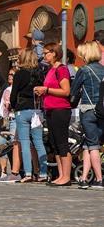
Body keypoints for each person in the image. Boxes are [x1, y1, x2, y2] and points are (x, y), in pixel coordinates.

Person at [8, 48, 48, 183]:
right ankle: (43, 173)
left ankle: (28, 173)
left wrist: (13, 106)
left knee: (24, 142)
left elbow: (13, 94)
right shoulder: (39, 74)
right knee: (38, 142)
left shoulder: (19, 74)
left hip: (22, 109)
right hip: (37, 111)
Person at [34, 42, 72, 186]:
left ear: (54, 53)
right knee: (55, 143)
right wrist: (42, 91)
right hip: (50, 109)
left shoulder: (61, 69)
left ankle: (66, 177)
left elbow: (66, 91)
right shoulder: (50, 69)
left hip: (60, 110)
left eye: (46, 53)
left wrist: (47, 90)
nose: (44, 55)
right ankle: (61, 175)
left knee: (62, 143)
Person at [70, 41, 104, 189]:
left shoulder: (84, 70)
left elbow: (73, 91)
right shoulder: (103, 69)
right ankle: (84, 178)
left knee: (93, 145)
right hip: (102, 110)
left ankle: (99, 178)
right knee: (87, 145)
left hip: (88, 111)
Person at [0, 52, 19, 182]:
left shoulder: (18, 89)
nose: (10, 76)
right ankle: (2, 171)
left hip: (13, 119)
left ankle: (14, 170)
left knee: (12, 145)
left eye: (12, 75)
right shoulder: (5, 86)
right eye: (9, 75)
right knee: (1, 145)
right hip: (1, 119)